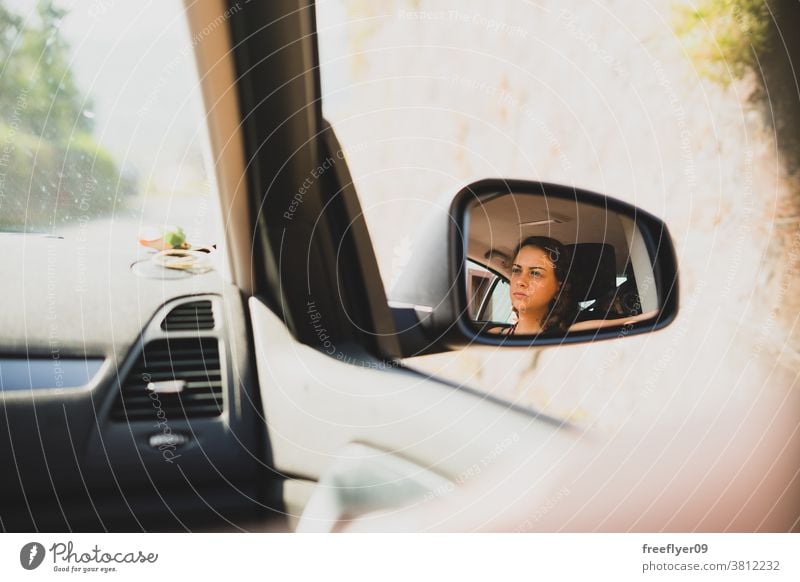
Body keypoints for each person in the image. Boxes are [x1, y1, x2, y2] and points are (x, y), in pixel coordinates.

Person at [490, 236, 654, 336]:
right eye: (516, 270)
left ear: (557, 287)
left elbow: (643, 321)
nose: (520, 281)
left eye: (535, 273)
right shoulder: (495, 334)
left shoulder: (573, 334)